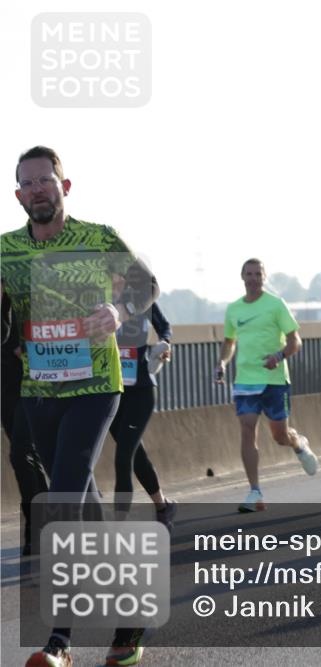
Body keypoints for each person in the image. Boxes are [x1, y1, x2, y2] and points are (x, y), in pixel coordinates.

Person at [3, 146, 159, 667]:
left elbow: (147, 284)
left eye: (47, 179)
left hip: (96, 386)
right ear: (19, 195)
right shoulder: (5, 251)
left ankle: (59, 642)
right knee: (87, 509)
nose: (39, 188)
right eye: (29, 182)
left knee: (64, 495)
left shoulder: (98, 238)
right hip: (40, 392)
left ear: (64, 187)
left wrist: (119, 309)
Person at [215, 258, 318, 513]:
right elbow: (229, 342)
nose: (252, 278)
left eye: (257, 274)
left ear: (264, 277)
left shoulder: (275, 305)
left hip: (274, 380)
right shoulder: (234, 309)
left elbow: (296, 341)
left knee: (280, 436)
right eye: (248, 274)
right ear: (242, 276)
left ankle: (298, 444)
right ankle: (255, 492)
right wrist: (223, 363)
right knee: (247, 429)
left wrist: (278, 357)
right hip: (245, 381)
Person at [110, 299, 176, 526]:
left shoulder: (142, 298)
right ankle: (163, 506)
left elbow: (164, 327)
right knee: (135, 453)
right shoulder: (96, 296)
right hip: (110, 391)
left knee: (123, 456)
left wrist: (164, 343)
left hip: (140, 390)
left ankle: (119, 525)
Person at [0, 298, 49, 555]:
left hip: (32, 382)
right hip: (5, 387)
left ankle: (35, 526)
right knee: (29, 456)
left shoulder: (23, 285)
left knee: (20, 454)